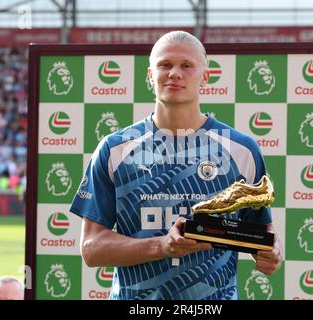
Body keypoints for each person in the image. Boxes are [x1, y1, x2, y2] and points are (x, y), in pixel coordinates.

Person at [70, 30, 283, 300]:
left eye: (186, 65)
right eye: (165, 65)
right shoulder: (115, 148)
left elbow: (263, 232)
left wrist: (271, 253)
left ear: (205, 76)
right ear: (150, 74)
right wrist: (163, 246)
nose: (174, 73)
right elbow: (91, 248)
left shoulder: (241, 149)